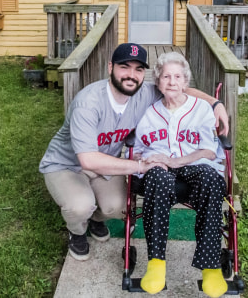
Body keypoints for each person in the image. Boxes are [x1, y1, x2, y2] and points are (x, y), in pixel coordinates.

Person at [39, 43, 229, 261]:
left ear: (144, 74)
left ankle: (96, 220)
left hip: (106, 162)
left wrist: (216, 104)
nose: (131, 74)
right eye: (124, 67)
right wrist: (141, 165)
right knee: (81, 206)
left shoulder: (142, 93)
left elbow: (180, 89)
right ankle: (77, 232)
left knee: (118, 208)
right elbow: (88, 159)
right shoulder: (88, 103)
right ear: (111, 67)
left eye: (138, 69)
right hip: (66, 165)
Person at [132, 51, 228, 297]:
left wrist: (175, 161)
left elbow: (208, 151)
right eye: (166, 76)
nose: (172, 82)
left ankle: (211, 268)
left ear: (186, 82)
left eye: (177, 77)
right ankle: (156, 263)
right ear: (158, 82)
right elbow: (138, 152)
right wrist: (151, 161)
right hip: (161, 180)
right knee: (157, 176)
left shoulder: (201, 109)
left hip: (195, 172)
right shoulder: (150, 113)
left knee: (210, 178)